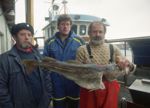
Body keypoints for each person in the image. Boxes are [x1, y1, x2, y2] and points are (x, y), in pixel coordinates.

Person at [76, 21, 136, 108]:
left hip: (110, 88)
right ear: (89, 33)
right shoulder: (81, 50)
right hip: (89, 88)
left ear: (104, 33)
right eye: (94, 31)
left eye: (100, 32)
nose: (98, 34)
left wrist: (128, 66)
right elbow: (78, 74)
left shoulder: (113, 48)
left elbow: (129, 68)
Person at [0, 23, 52, 108]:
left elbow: (47, 79)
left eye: (29, 35)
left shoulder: (40, 57)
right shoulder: (4, 60)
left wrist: (47, 98)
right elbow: (1, 88)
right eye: (22, 34)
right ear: (14, 37)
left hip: (41, 104)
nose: (27, 37)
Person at [43, 14, 85, 108]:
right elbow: (45, 62)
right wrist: (48, 82)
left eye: (67, 24)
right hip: (57, 83)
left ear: (70, 26)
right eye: (62, 24)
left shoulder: (79, 41)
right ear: (58, 26)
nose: (65, 27)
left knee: (74, 105)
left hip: (74, 83)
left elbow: (85, 61)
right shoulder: (50, 42)